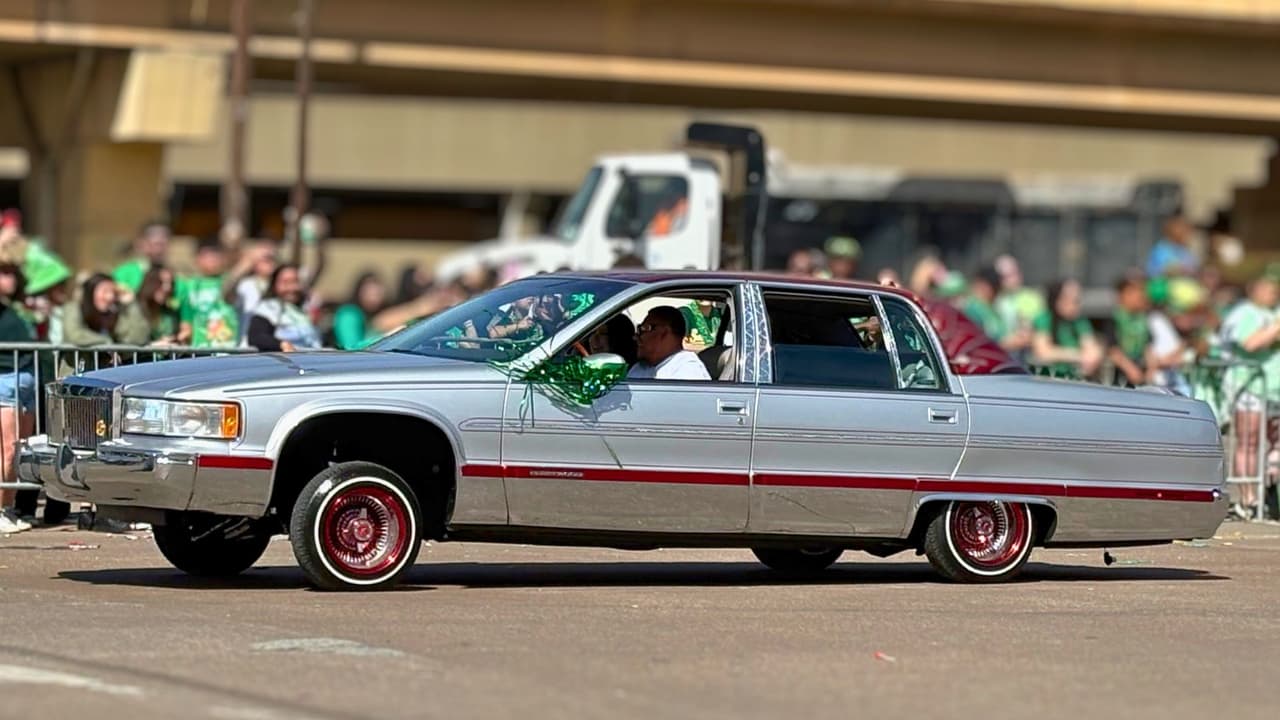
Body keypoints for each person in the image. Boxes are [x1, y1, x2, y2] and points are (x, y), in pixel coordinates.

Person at [1220, 270, 1280, 519]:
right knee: (1249, 440)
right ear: (1254, 289)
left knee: (1275, 442)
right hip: (1249, 385)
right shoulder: (1245, 313)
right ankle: (1247, 498)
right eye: (1268, 288)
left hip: (1274, 387)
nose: (1273, 293)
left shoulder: (1273, 312)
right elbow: (1249, 343)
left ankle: (1270, 491)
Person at [60, 274, 151, 376]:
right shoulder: (73, 308)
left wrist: (131, 304)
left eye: (113, 292)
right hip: (74, 379)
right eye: (105, 291)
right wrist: (106, 343)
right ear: (91, 292)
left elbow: (137, 339)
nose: (110, 297)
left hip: (104, 382)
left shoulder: (113, 316)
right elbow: (75, 335)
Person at [0, 263, 35, 533]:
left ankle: (7, 509)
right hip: (4, 379)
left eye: (11, 273)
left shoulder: (20, 307)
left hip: (26, 377)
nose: (8, 279)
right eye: (3, 273)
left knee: (20, 450)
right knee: (8, 448)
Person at [1031, 279, 1103, 379]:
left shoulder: (1080, 321)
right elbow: (1043, 352)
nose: (1076, 304)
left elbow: (1092, 348)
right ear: (1057, 299)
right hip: (1048, 377)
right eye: (1071, 299)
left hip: (1074, 378)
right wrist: (1078, 356)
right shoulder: (1044, 318)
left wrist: (1092, 356)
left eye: (1077, 300)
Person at [178, 235, 240, 348]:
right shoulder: (189, 285)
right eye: (207, 256)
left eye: (216, 256)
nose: (212, 260)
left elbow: (240, 269)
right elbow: (186, 318)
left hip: (228, 347)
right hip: (199, 349)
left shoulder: (229, 281)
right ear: (197, 259)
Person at [247, 264, 323, 352]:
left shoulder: (304, 310)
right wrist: (281, 344)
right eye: (285, 282)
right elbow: (256, 337)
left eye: (295, 282)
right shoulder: (268, 308)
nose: (291, 288)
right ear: (274, 284)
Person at [628, 306, 710, 381]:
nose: (635, 337)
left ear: (664, 332)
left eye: (643, 329)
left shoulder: (687, 370)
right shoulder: (640, 367)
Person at [1107, 273, 1153, 388]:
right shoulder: (1115, 318)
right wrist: (1131, 369)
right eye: (1134, 292)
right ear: (1122, 295)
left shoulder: (1143, 319)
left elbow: (1148, 346)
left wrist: (1152, 368)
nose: (1140, 296)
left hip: (1141, 378)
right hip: (1120, 379)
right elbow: (1113, 350)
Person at [332, 271, 388, 350]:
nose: (374, 298)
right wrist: (387, 338)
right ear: (359, 291)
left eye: (378, 294)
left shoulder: (379, 313)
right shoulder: (349, 314)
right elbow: (350, 346)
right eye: (370, 293)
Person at [112, 221, 171, 293]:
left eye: (163, 245)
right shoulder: (125, 273)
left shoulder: (172, 275)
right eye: (156, 244)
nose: (159, 250)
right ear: (142, 243)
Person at [137, 265, 181, 344]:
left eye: (170, 283)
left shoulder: (171, 313)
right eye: (161, 282)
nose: (167, 288)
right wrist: (154, 346)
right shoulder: (133, 310)